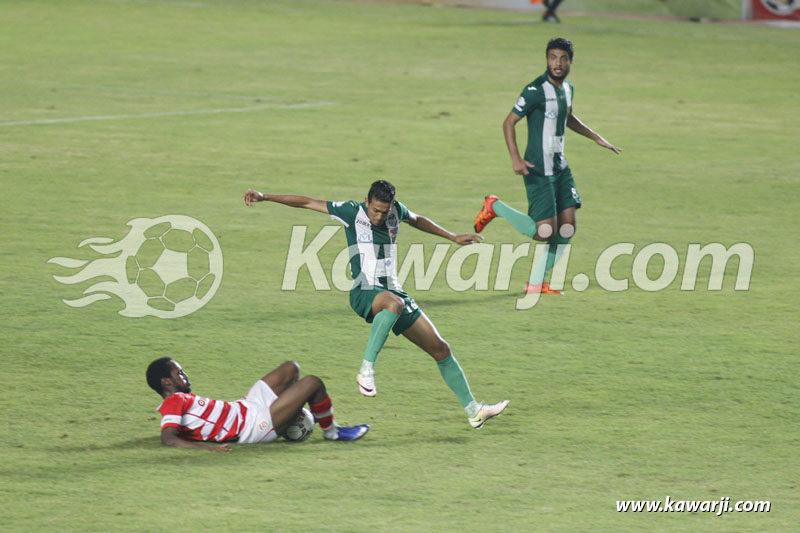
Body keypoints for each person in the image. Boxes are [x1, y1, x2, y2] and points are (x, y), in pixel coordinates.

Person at [243, 181, 509, 429]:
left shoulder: (396, 212)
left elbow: (417, 220)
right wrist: (265, 196)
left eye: (384, 211)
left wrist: (451, 237)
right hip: (364, 291)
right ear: (366, 201)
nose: (379, 217)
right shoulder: (350, 212)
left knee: (440, 348)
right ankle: (366, 370)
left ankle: (474, 410)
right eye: (375, 210)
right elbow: (306, 202)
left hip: (394, 291)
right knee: (392, 305)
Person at [474, 37, 621, 295]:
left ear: (570, 62)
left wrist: (596, 137)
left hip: (561, 168)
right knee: (544, 232)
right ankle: (494, 206)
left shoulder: (568, 89)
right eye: (553, 57)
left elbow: (568, 116)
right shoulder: (535, 90)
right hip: (538, 170)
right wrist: (516, 158)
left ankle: (535, 284)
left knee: (567, 228)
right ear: (546, 59)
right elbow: (508, 122)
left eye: (563, 58)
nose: (558, 63)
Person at [146, 358, 369, 452]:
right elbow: (168, 438)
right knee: (312, 383)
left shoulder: (182, 400)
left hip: (247, 406)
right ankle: (331, 432)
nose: (186, 375)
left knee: (291, 367)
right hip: (251, 427)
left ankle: (302, 412)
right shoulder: (173, 401)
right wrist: (207, 448)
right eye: (180, 373)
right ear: (166, 382)